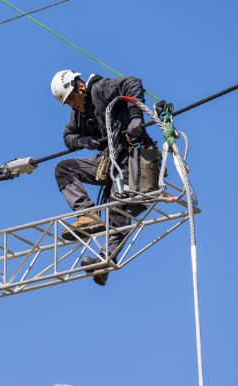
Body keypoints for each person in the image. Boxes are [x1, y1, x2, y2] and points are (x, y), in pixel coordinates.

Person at [50, 69, 148, 285]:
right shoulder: (79, 113)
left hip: (132, 157)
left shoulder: (100, 89)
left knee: (117, 208)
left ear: (80, 86)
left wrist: (135, 117)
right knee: (64, 169)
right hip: (108, 162)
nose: (72, 105)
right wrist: (81, 141)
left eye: (71, 99)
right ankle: (88, 215)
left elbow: (133, 81)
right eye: (67, 103)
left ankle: (105, 261)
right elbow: (68, 136)